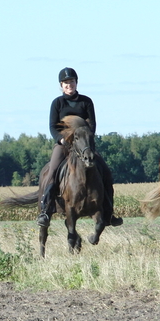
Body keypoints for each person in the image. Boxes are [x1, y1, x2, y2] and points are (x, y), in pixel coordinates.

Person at [36, 67, 123, 228]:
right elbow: (52, 127)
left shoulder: (86, 101)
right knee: (52, 172)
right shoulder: (57, 103)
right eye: (66, 82)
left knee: (106, 173)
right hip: (64, 146)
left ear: (76, 83)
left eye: (72, 81)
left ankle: (109, 213)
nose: (69, 85)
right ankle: (45, 211)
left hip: (84, 146)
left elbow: (92, 124)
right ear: (61, 85)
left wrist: (86, 141)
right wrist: (61, 140)